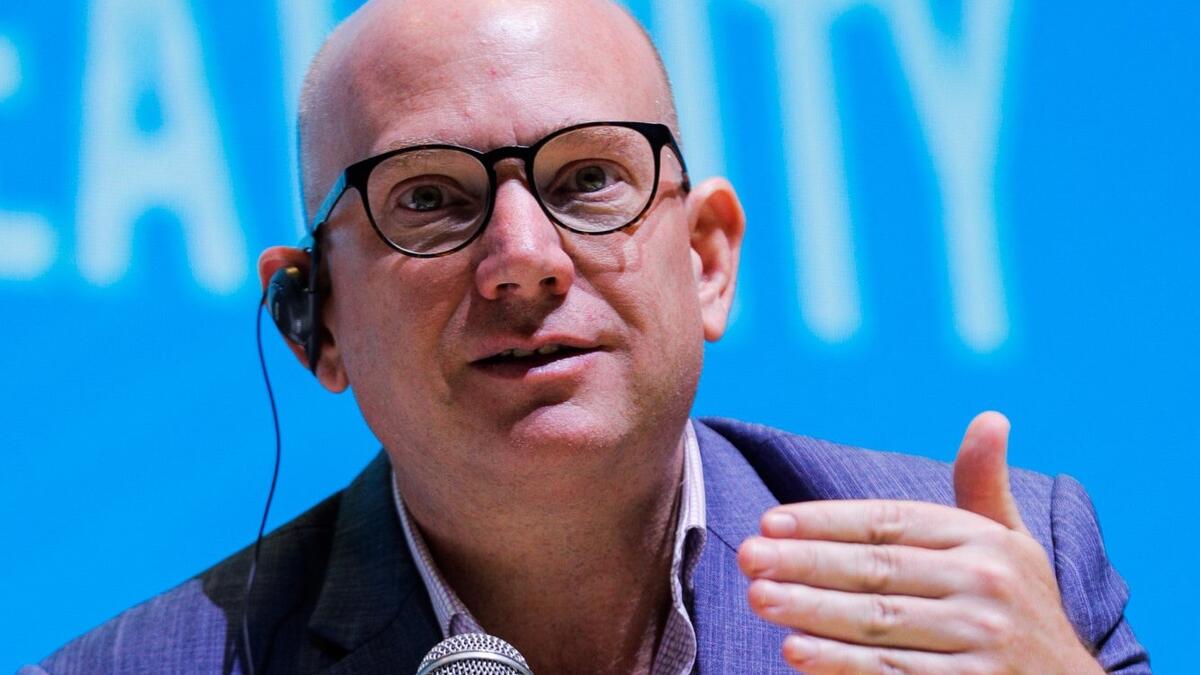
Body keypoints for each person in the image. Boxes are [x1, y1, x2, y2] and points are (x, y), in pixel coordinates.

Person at [26, 0, 1148, 673]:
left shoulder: (1009, 579)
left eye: (589, 179)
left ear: (706, 261)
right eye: (429, 199)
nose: (524, 258)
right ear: (314, 322)